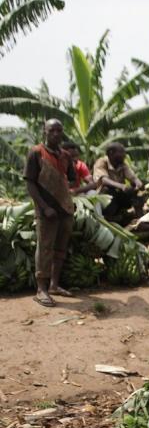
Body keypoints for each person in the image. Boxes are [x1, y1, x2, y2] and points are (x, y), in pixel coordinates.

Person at [24, 120, 77, 307]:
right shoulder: (36, 152)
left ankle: (54, 285)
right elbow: (30, 183)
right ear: (44, 132)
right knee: (45, 248)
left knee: (60, 248)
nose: (56, 133)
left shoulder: (65, 155)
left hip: (65, 208)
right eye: (52, 130)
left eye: (59, 130)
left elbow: (71, 178)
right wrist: (44, 207)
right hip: (46, 210)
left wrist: (70, 164)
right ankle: (41, 289)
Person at [93, 142, 145, 223]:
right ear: (111, 153)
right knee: (108, 190)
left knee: (136, 194)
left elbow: (132, 177)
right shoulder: (102, 162)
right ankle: (110, 218)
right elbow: (103, 180)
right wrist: (121, 186)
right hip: (105, 197)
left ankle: (141, 219)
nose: (124, 154)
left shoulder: (122, 164)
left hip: (119, 194)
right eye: (121, 152)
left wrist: (138, 183)